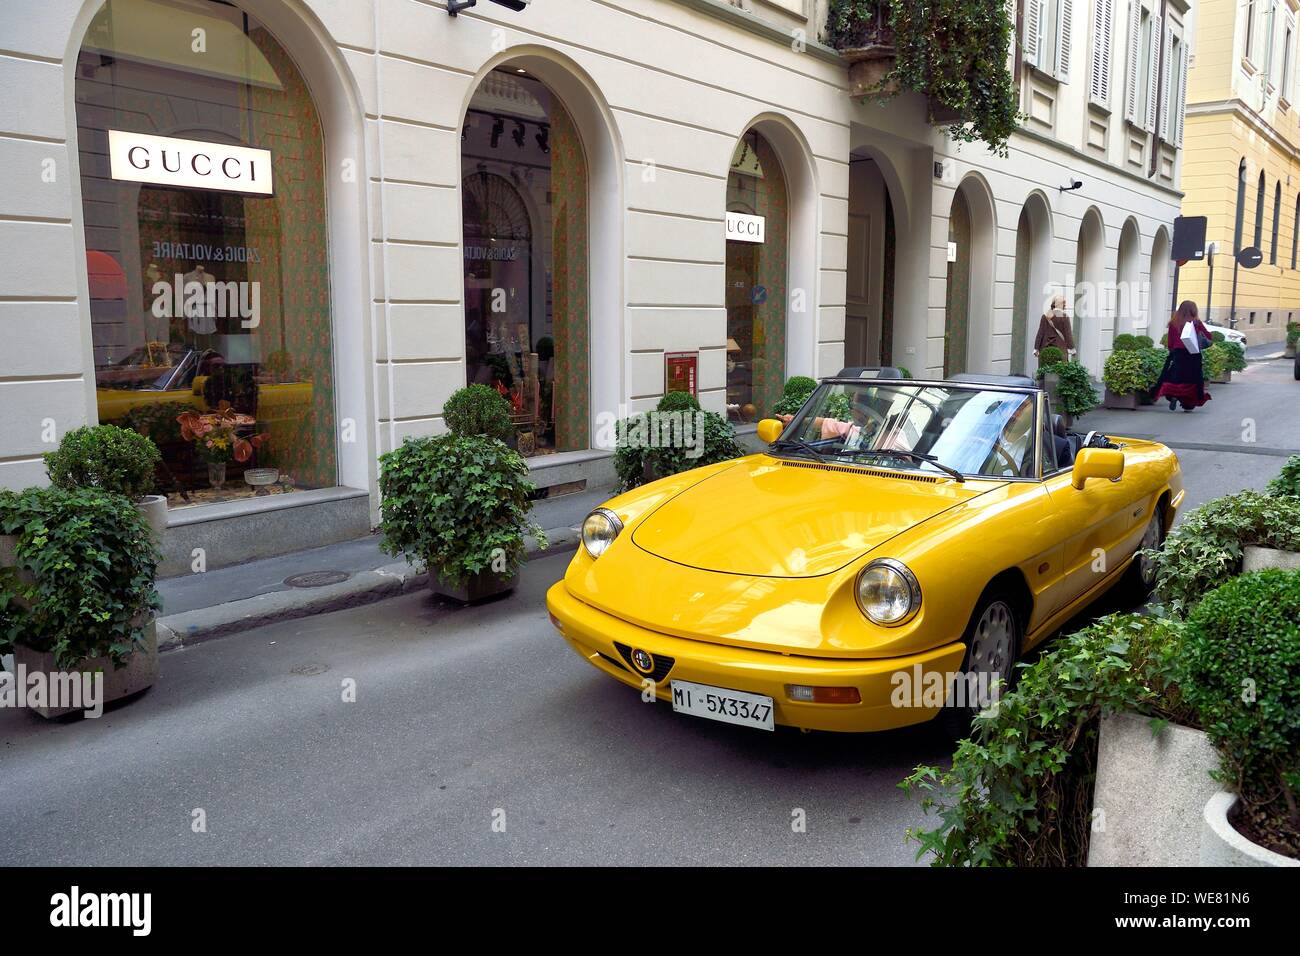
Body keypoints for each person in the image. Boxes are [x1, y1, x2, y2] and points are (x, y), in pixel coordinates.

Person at [1154, 300, 1212, 412]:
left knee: (1175, 377)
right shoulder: (1196, 322)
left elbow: (1170, 342)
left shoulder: (1173, 322)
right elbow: (1208, 336)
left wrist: (1173, 351)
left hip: (1178, 354)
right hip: (1193, 354)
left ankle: (1173, 395)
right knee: (1193, 379)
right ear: (1193, 310)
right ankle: (1188, 404)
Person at [1034, 295, 1076, 360]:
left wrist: (1036, 348)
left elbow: (1040, 333)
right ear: (1062, 304)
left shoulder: (1045, 316)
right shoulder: (1065, 317)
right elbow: (1068, 335)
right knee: (1060, 369)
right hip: (1060, 349)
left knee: (1045, 369)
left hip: (1045, 349)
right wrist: (1072, 349)